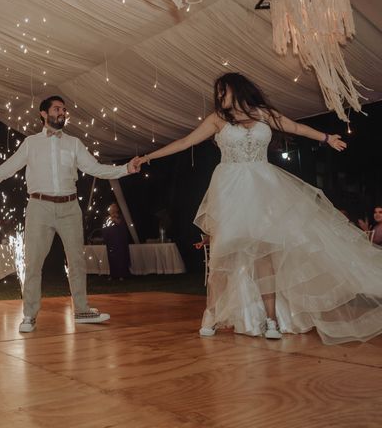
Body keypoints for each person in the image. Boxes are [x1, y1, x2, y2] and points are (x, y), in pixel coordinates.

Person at [133, 72, 382, 344]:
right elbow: (185, 142)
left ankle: (271, 318)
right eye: (218, 93)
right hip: (230, 189)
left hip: (265, 188)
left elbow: (296, 128)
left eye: (222, 91)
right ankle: (210, 314)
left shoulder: (265, 114)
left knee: (266, 253)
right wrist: (148, 157)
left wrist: (326, 138)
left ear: (237, 90)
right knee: (221, 255)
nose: (219, 97)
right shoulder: (217, 120)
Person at [0, 95, 141, 333]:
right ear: (43, 114)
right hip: (39, 207)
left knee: (76, 261)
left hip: (70, 207)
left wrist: (126, 168)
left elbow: (95, 168)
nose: (62, 112)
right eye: (57, 109)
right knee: (33, 262)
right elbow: (7, 168)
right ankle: (29, 316)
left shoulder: (74, 143)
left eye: (64, 109)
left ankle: (82, 310)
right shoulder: (31, 143)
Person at [101, 203, 132, 280]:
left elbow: (122, 227)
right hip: (110, 242)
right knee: (111, 258)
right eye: (110, 208)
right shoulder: (106, 219)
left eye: (113, 208)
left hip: (120, 241)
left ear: (117, 209)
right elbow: (104, 229)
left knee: (121, 258)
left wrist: (115, 219)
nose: (111, 210)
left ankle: (122, 274)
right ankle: (113, 274)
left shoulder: (121, 217)